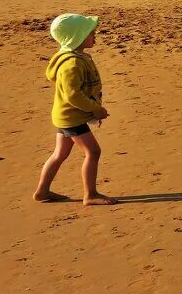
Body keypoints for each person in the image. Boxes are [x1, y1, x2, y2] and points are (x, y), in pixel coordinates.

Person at [33, 13, 118, 206]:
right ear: (77, 37)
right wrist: (96, 109)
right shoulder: (72, 63)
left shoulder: (75, 57)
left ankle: (42, 190)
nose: (95, 34)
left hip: (65, 116)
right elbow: (74, 96)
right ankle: (91, 194)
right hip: (72, 118)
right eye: (90, 32)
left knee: (60, 154)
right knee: (93, 152)